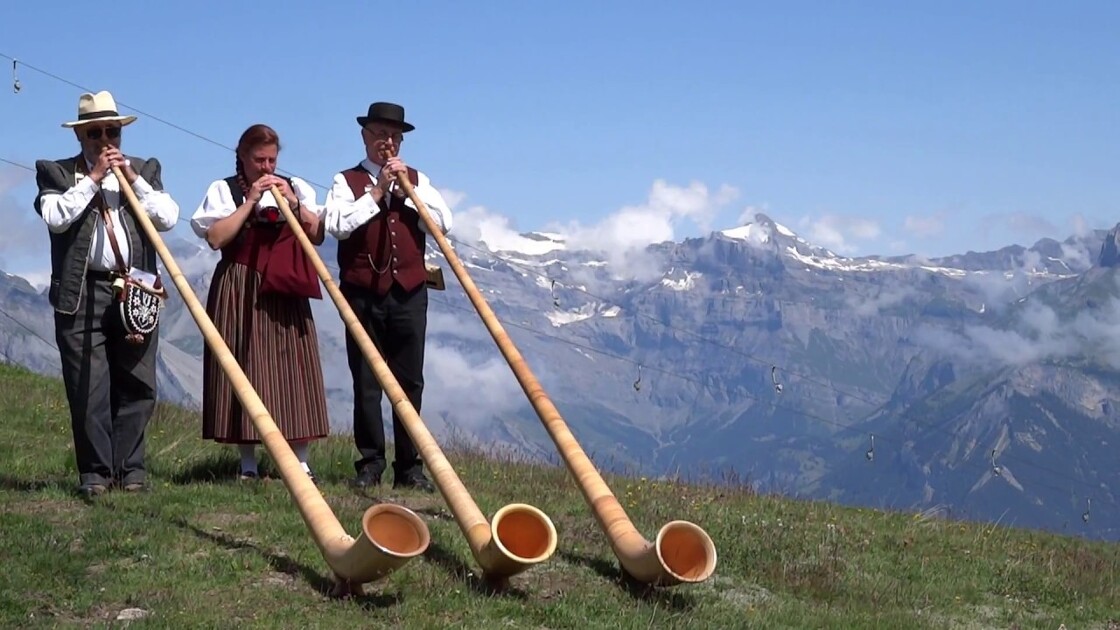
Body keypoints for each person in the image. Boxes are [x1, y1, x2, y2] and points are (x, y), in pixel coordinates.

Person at [33, 90, 181, 498]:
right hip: (83, 289)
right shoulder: (56, 173)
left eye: (112, 132)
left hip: (136, 286)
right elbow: (56, 218)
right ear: (81, 137)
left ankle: (130, 470)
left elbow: (168, 218)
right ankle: (95, 474)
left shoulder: (144, 170)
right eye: (95, 133)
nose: (105, 141)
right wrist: (94, 179)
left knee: (138, 380)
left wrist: (131, 179)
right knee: (88, 385)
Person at [323, 102, 453, 492]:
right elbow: (337, 226)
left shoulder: (418, 178)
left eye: (395, 136)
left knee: (410, 381)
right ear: (366, 137)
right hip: (362, 293)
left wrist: (409, 193)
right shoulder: (345, 181)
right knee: (366, 381)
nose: (388, 142)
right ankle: (370, 463)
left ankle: (410, 467)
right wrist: (378, 191)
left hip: (410, 293)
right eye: (381, 134)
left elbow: (445, 223)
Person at [190, 124, 330, 482]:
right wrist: (251, 200)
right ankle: (248, 464)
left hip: (286, 284)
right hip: (241, 285)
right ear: (242, 157)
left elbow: (316, 234)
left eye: (271, 160)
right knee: (244, 365)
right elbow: (216, 238)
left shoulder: (294, 187)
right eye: (258, 161)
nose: (266, 168)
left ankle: (300, 462)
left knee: (294, 370)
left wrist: (295, 203)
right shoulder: (225, 189)